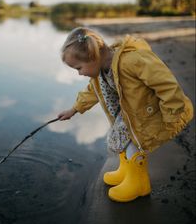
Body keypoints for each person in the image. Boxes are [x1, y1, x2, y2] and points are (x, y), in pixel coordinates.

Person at [58, 27, 194, 203]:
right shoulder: (100, 72)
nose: (79, 73)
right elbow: (92, 92)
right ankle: (127, 171)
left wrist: (172, 113)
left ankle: (138, 183)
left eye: (79, 67)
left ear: (93, 57)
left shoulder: (132, 61)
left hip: (157, 111)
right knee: (121, 136)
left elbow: (165, 84)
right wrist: (73, 109)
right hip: (131, 112)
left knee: (133, 142)